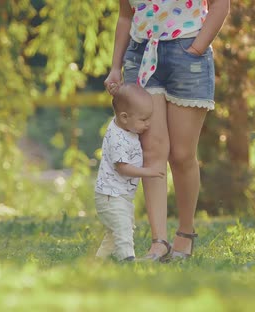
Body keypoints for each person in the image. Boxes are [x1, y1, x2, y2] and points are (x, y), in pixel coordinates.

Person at [104, 0, 230, 261]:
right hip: (141, 54)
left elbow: (220, 5)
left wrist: (196, 47)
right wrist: (116, 67)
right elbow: (126, 17)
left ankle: (185, 235)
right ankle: (158, 243)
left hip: (187, 53)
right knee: (152, 152)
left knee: (182, 155)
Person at [94, 83, 166, 262]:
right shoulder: (117, 138)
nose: (148, 124)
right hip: (111, 196)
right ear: (124, 117)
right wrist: (148, 172)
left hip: (119, 196)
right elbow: (123, 168)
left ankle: (99, 260)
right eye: (143, 120)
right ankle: (127, 260)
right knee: (123, 228)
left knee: (115, 232)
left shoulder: (126, 128)